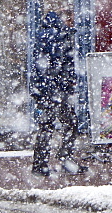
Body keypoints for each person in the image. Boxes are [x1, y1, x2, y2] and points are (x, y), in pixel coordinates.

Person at [31, 11, 82, 177]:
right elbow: (56, 64)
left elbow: (44, 66)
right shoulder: (56, 36)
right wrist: (64, 84)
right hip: (54, 92)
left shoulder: (46, 35)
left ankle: (41, 165)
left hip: (48, 91)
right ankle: (62, 159)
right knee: (68, 123)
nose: (71, 20)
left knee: (48, 126)